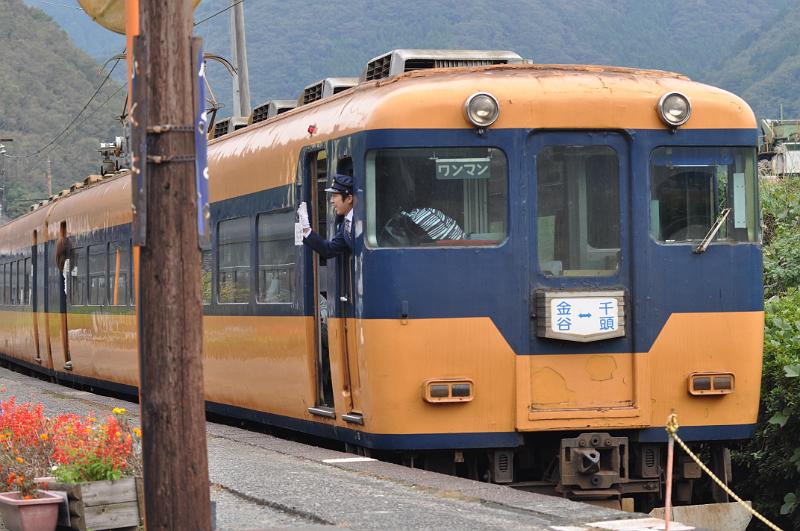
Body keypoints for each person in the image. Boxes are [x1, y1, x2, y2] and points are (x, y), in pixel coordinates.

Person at [297, 174, 354, 258]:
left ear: (349, 198)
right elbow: (329, 249)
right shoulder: (345, 225)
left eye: (335, 196)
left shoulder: (361, 221)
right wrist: (306, 230)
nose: (331, 201)